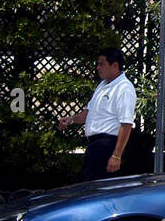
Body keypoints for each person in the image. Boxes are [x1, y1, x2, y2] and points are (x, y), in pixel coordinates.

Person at [58, 47, 137, 179]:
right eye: (97, 64)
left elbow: (126, 124)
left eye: (102, 64)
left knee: (100, 191)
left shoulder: (124, 88)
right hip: (94, 146)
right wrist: (71, 119)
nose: (98, 68)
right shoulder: (102, 85)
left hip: (107, 145)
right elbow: (89, 113)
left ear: (115, 65)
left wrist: (116, 155)